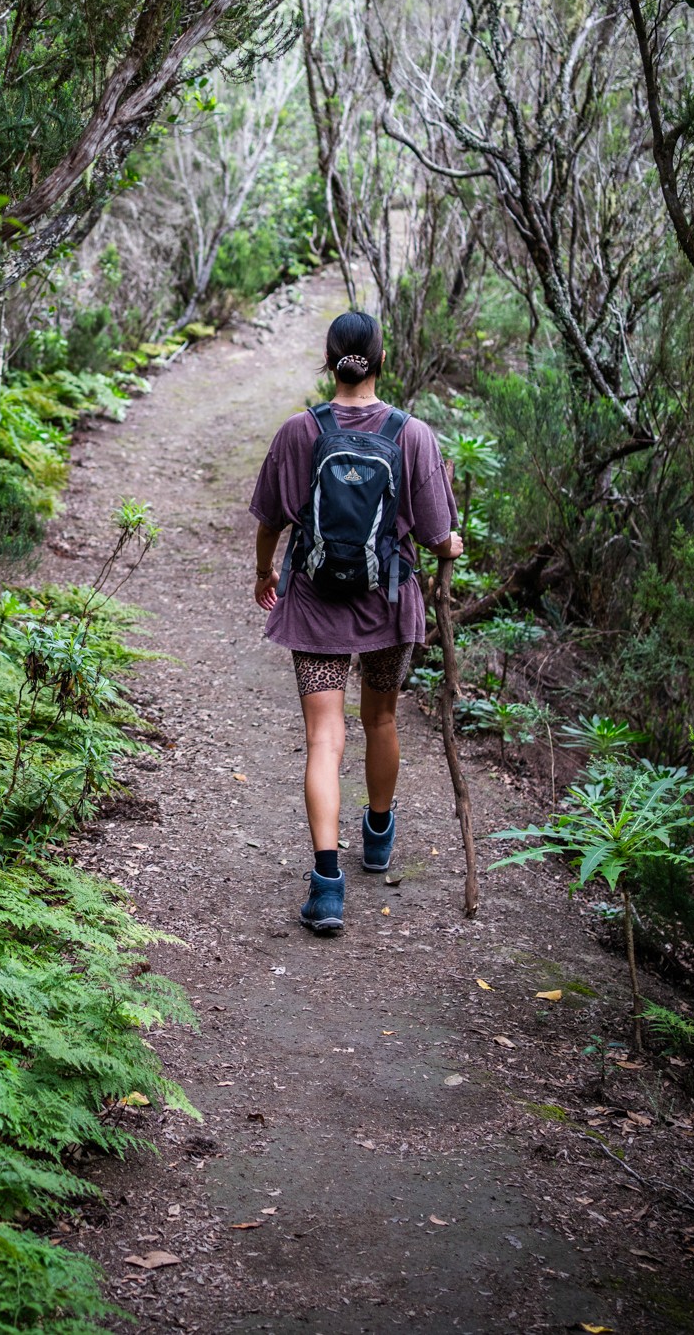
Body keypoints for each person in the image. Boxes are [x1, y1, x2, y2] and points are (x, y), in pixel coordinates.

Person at [248, 310, 463, 934]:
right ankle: (376, 831)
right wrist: (449, 545)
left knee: (325, 738)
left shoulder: (299, 431)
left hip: (315, 604)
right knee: (383, 718)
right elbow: (434, 533)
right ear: (381, 361)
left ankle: (326, 886)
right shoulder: (412, 434)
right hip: (386, 606)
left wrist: (265, 573)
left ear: (329, 359)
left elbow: (270, 519)